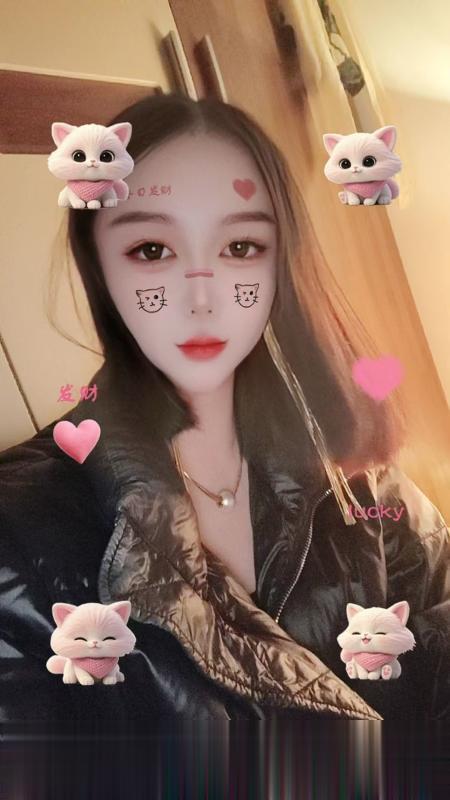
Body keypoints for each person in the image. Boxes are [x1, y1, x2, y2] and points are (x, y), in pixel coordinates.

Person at [0, 93, 448, 724]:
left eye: (239, 247)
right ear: (97, 264)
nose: (202, 297)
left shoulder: (359, 477)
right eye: (152, 250)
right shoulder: (17, 538)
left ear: (281, 260)